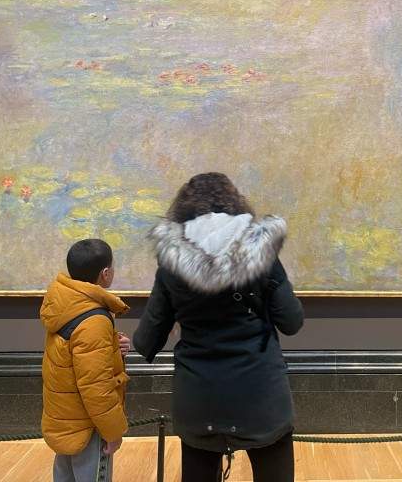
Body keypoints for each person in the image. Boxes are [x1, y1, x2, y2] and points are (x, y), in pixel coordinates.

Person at [134, 172, 304, 481]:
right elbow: (291, 322)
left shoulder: (171, 264)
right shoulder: (263, 255)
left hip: (199, 399)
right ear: (234, 203)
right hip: (260, 396)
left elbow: (146, 341)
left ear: (184, 207)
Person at [40, 239, 132, 482]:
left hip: (66, 418)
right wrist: (113, 432)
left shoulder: (65, 304)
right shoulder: (94, 321)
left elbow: (73, 357)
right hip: (89, 426)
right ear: (105, 273)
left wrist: (113, 346)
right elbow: (96, 387)